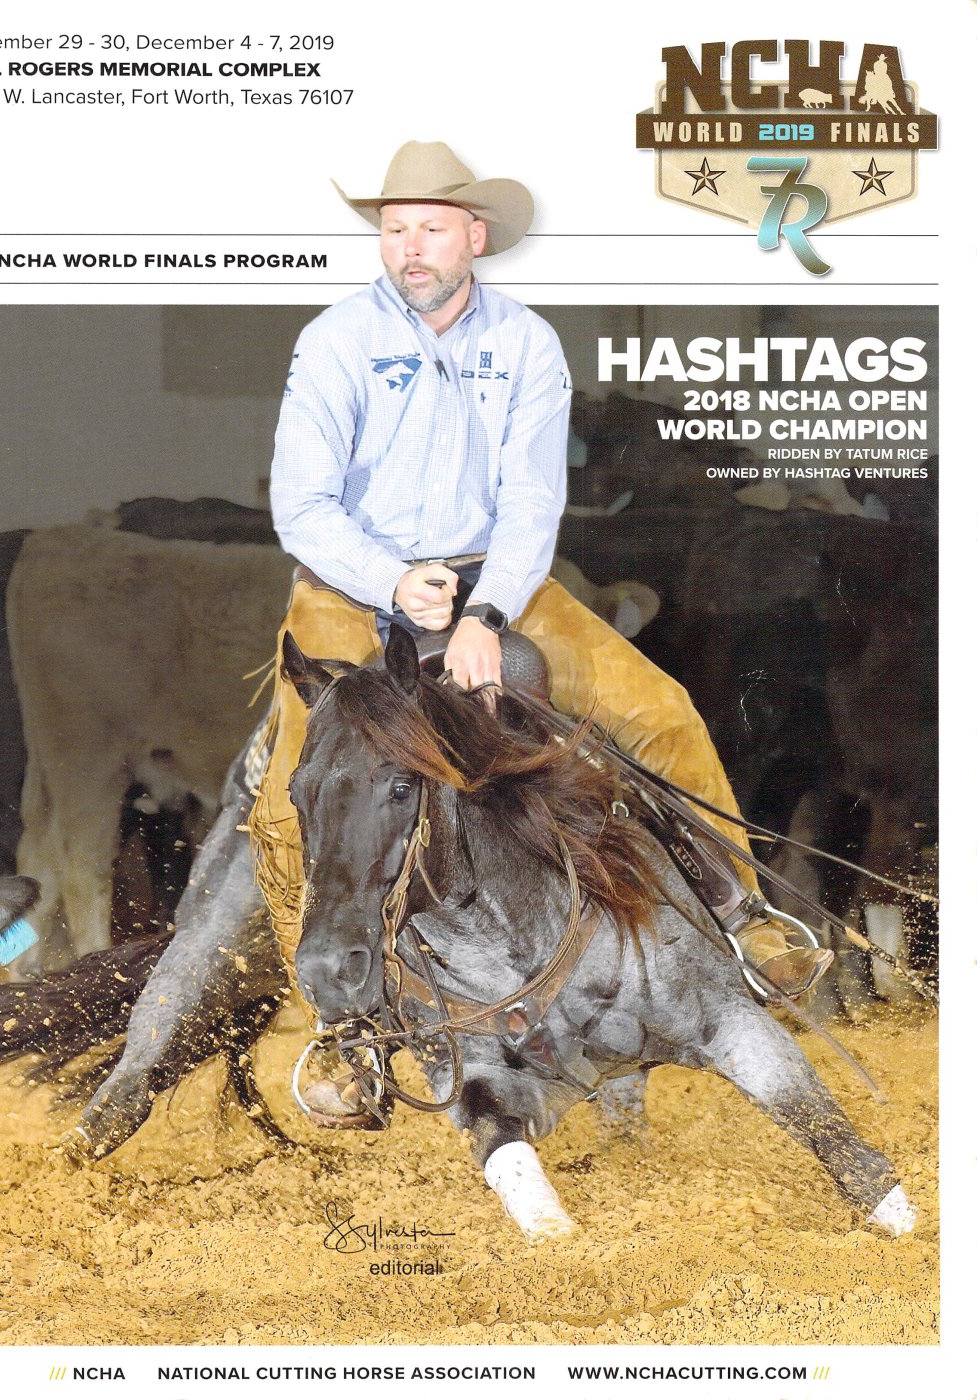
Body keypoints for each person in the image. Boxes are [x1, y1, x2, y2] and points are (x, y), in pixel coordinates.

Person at [249, 140, 832, 1024]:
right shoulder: (334, 341)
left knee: (662, 710)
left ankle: (743, 923)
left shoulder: (524, 341)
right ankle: (329, 1022)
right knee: (296, 788)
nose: (410, 249)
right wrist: (391, 580)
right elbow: (301, 504)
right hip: (347, 585)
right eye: (395, 230)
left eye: (430, 229)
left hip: (493, 573)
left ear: (475, 237)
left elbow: (530, 499)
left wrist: (485, 611)